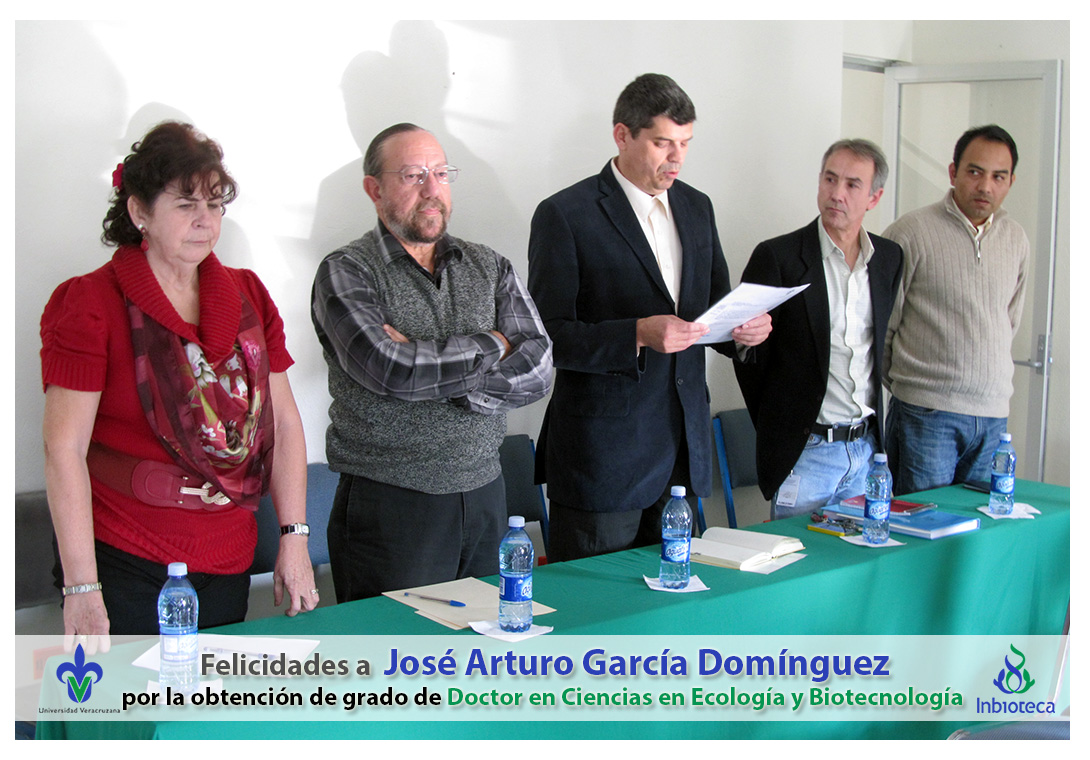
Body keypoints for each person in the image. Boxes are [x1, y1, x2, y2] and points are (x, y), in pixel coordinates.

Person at [40, 121, 318, 640]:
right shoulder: (89, 302)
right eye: (186, 204)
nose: (204, 220)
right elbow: (63, 450)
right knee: (133, 693)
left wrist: (294, 537)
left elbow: (283, 424)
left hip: (227, 551)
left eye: (214, 204)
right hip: (124, 554)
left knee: (210, 694)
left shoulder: (248, 295)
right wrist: (82, 587)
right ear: (139, 212)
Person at [527, 73, 771, 561]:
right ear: (622, 135)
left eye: (686, 143)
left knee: (672, 595)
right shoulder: (565, 214)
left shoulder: (697, 207)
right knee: (597, 599)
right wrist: (636, 334)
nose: (677, 158)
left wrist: (744, 332)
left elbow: (711, 310)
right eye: (663, 143)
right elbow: (546, 337)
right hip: (602, 461)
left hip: (683, 453)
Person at [311, 123, 552, 602]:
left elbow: (540, 368)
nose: (432, 189)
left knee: (485, 638)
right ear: (374, 189)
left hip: (486, 492)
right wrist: (495, 343)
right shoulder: (346, 271)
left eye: (441, 174)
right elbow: (391, 369)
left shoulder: (489, 265)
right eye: (413, 175)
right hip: (391, 505)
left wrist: (447, 376)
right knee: (398, 648)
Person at [733, 140, 903, 519]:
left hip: (866, 450)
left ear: (874, 198)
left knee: (863, 551)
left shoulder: (889, 258)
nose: (836, 193)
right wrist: (781, 427)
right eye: (830, 179)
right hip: (807, 452)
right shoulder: (778, 257)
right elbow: (748, 355)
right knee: (799, 554)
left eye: (852, 185)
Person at [882, 125, 1029, 495]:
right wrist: (913, 387)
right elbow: (881, 327)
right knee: (921, 520)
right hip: (926, 414)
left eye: (998, 177)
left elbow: (1008, 321)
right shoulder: (910, 232)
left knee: (980, 522)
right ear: (953, 172)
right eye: (975, 172)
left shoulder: (1016, 239)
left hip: (993, 418)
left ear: (1011, 182)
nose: (985, 186)